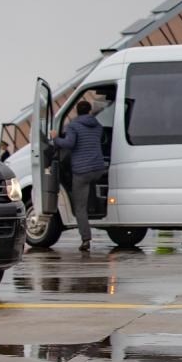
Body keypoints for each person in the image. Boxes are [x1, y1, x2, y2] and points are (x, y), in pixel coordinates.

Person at [52, 100, 109, 251]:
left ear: (77, 111)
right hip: (98, 169)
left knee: (80, 208)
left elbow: (69, 144)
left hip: (82, 171)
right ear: (89, 111)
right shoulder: (97, 125)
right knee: (91, 192)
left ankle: (86, 240)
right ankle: (97, 209)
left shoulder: (73, 125)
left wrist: (55, 138)